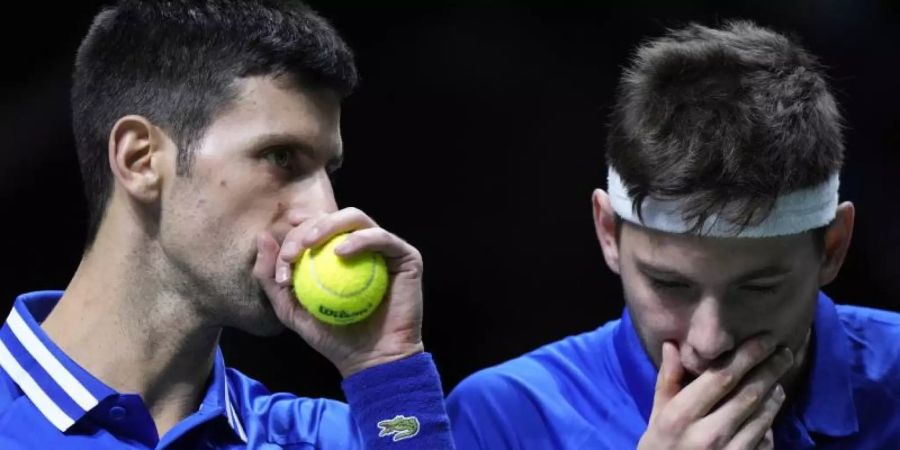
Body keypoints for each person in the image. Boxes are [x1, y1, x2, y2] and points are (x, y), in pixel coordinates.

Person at [0, 1, 455, 448]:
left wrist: (387, 363)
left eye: (327, 172)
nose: (324, 213)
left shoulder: (328, 437)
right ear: (140, 159)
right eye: (281, 158)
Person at [447, 20, 900, 449]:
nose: (709, 341)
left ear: (832, 247)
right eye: (670, 284)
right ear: (608, 233)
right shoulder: (502, 418)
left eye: (758, 288)